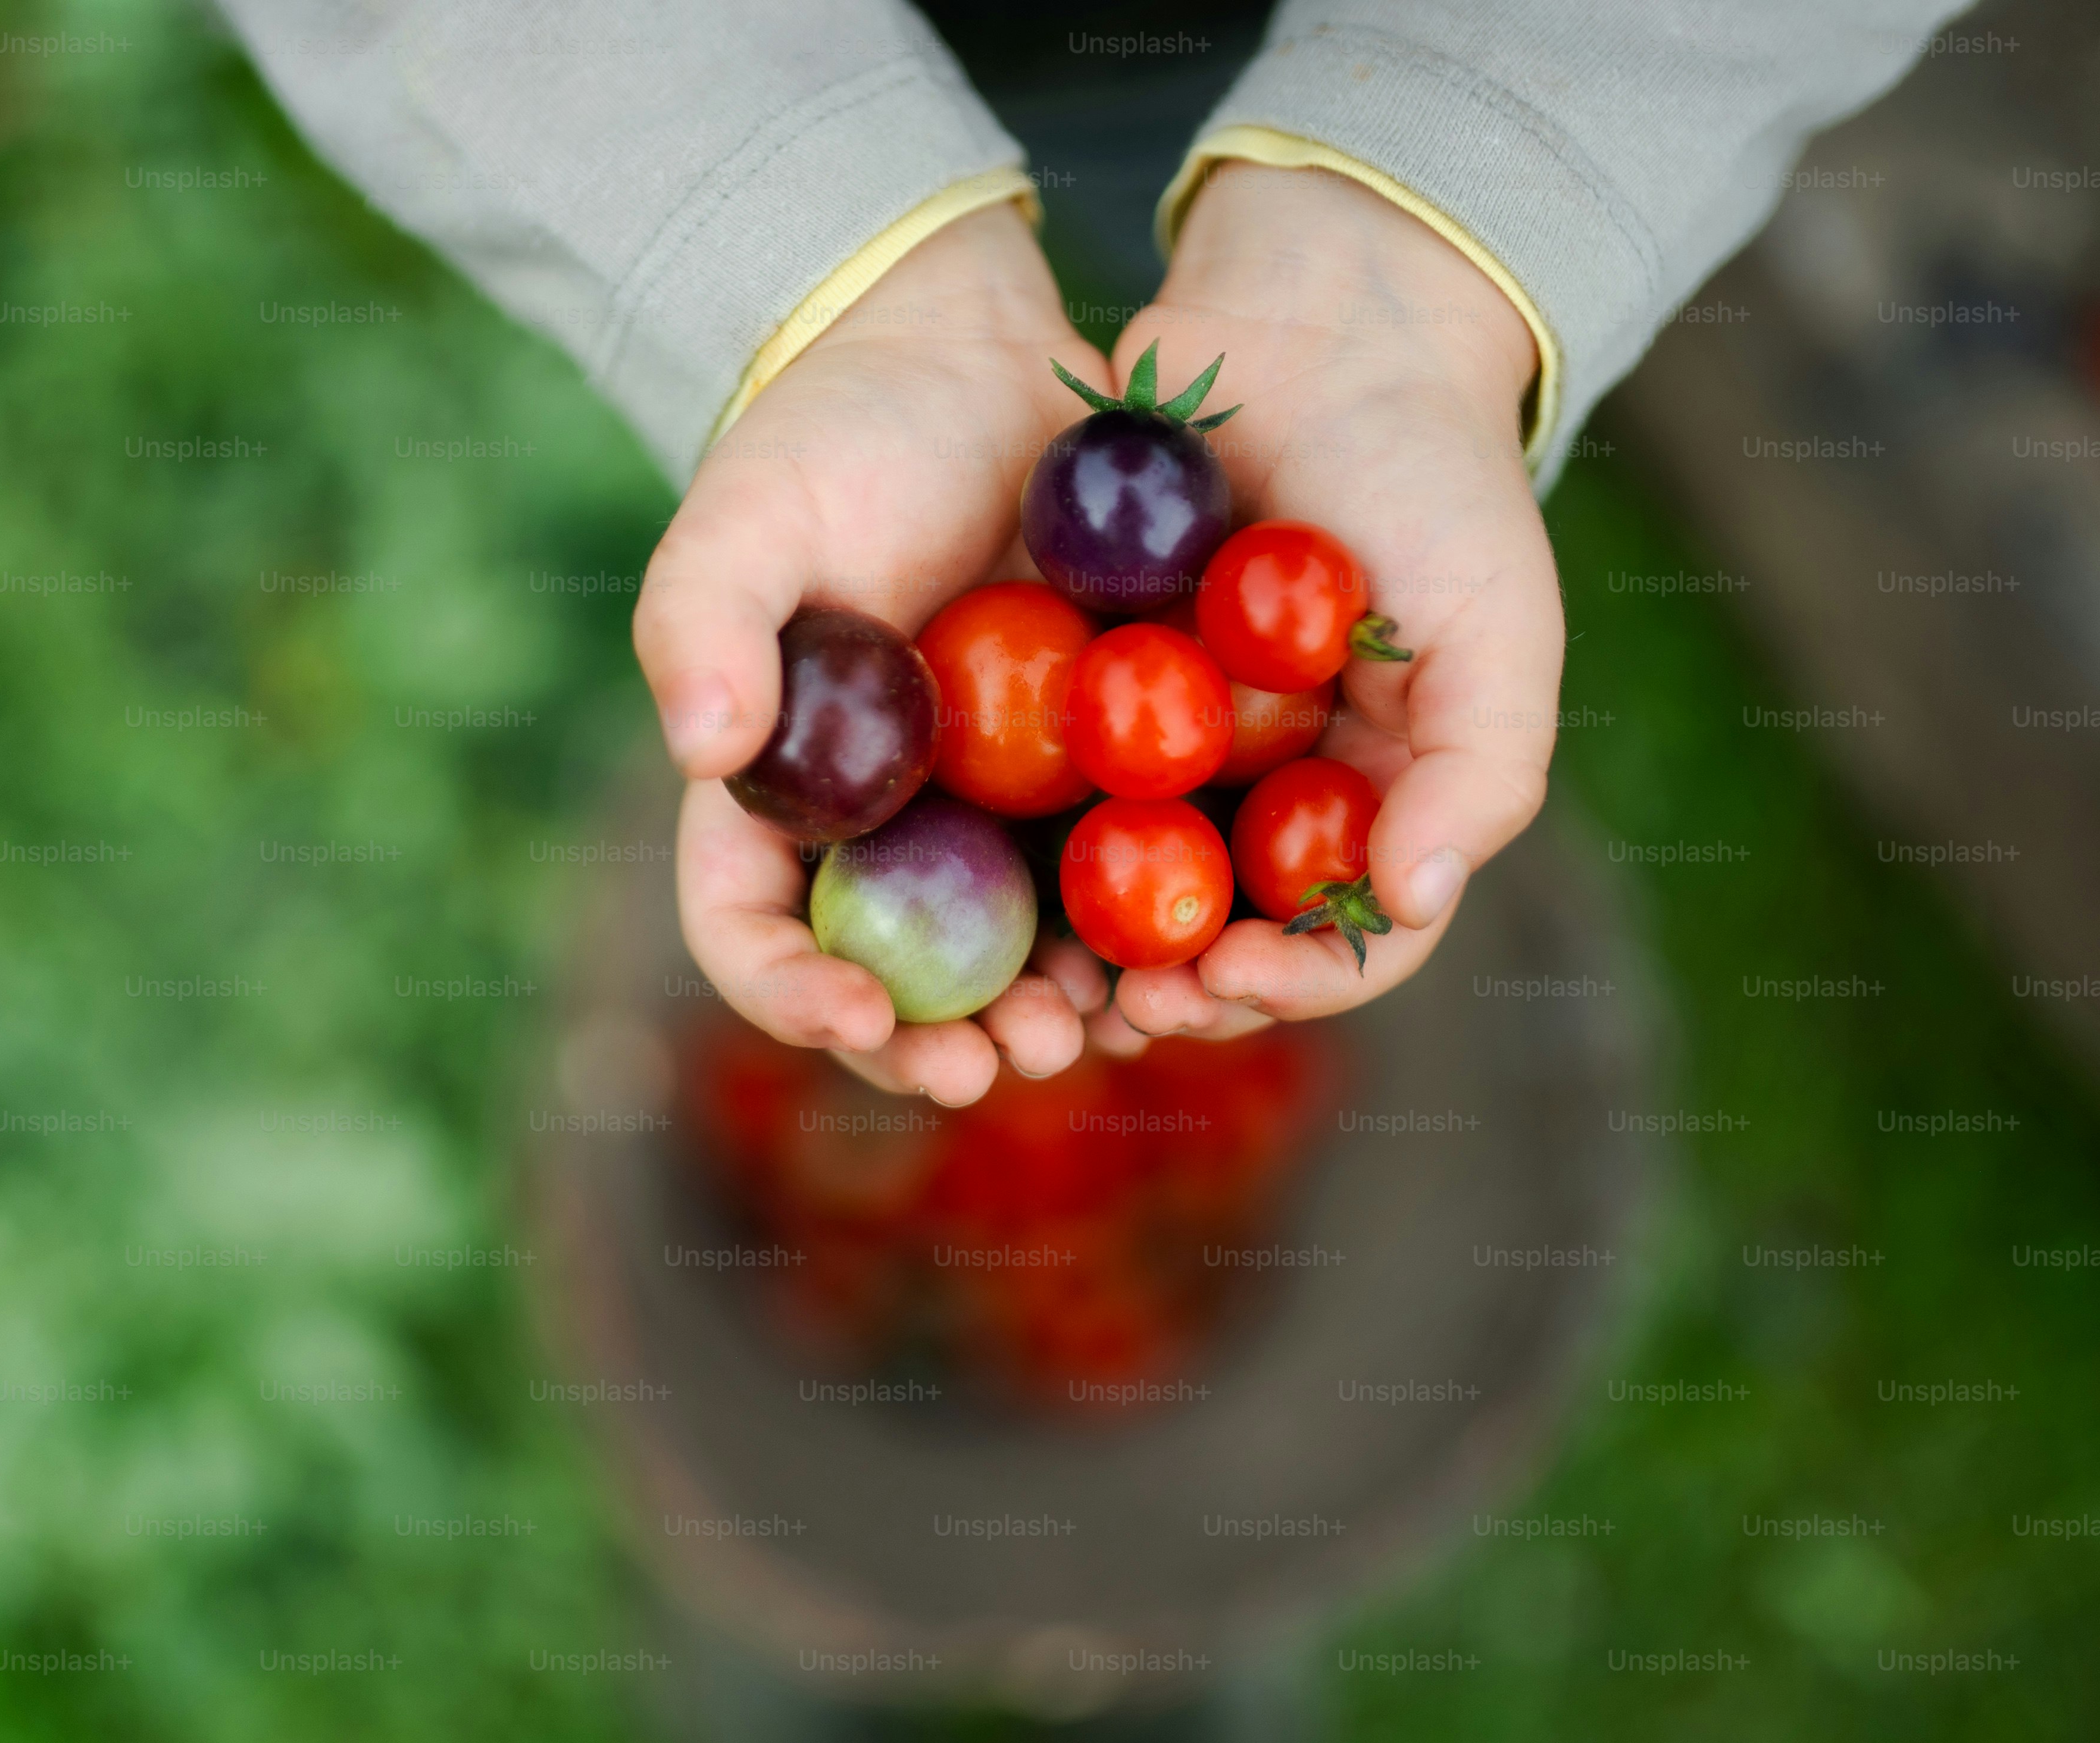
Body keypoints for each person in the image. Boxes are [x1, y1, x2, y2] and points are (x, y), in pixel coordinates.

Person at [220, 0, 1974, 1103]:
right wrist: (802, 225)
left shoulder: (1166, 704)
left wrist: (1442, 185)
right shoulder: (1114, 701)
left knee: (1150, 117)